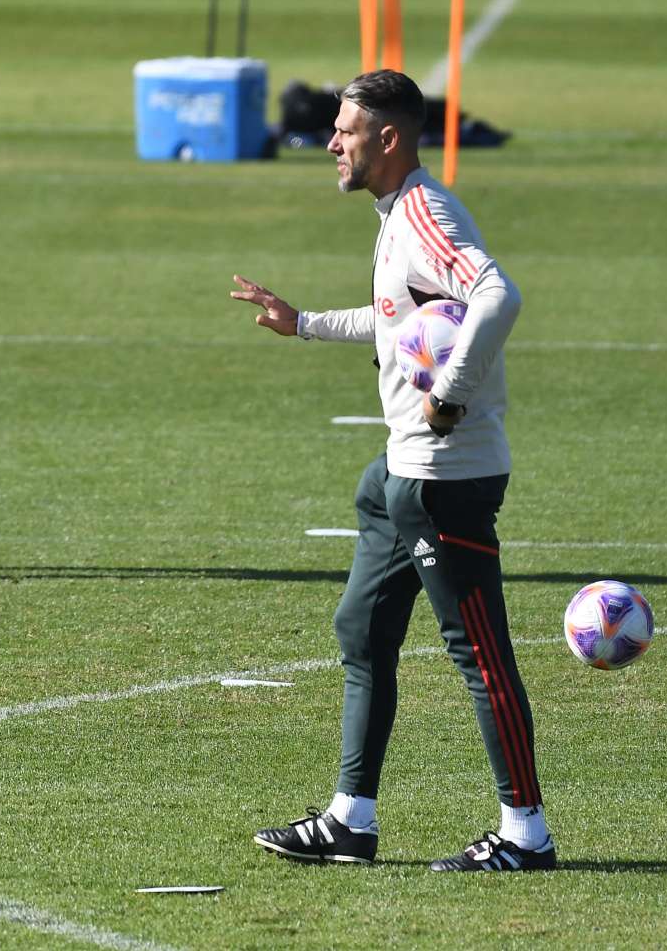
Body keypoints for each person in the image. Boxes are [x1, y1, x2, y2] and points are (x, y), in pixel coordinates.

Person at [230, 70, 552, 872]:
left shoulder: (424, 212)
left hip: (447, 476)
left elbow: (497, 294)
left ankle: (526, 835)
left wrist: (449, 394)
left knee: (480, 657)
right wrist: (301, 322)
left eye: (344, 129)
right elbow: (394, 322)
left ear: (389, 138)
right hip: (399, 477)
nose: (330, 141)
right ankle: (351, 819)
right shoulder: (395, 217)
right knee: (361, 630)